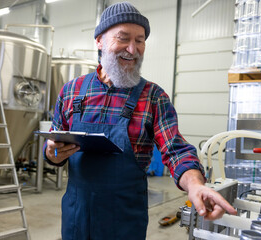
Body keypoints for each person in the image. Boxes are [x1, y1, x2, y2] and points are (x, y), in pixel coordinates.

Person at [44, 2, 237, 239]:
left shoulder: (154, 97)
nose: (133, 49)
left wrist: (195, 185)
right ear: (99, 41)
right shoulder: (71, 91)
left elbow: (175, 150)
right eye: (123, 38)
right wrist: (51, 153)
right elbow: (54, 142)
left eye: (140, 40)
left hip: (124, 222)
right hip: (76, 218)